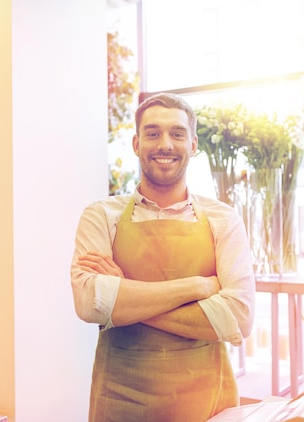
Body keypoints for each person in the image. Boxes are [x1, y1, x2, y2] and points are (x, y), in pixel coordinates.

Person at [70, 92, 255, 421]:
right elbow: (89, 303)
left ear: (194, 144)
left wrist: (123, 292)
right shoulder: (101, 215)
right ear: (136, 143)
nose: (165, 144)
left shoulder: (222, 219)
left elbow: (238, 317)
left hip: (207, 403)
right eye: (153, 133)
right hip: (119, 401)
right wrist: (195, 287)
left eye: (177, 134)